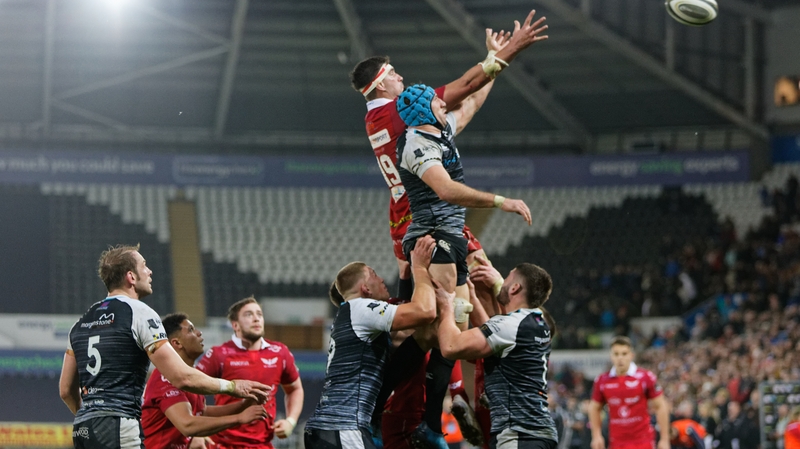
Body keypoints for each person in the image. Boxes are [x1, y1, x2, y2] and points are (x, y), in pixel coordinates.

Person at [59, 244, 270, 449]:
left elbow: (66, 390)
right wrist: (233, 386)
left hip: (83, 428)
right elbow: (181, 377)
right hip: (119, 424)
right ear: (131, 277)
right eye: (144, 266)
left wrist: (92, 417)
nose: (149, 272)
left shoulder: (80, 324)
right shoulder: (139, 313)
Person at [304, 236, 438, 449]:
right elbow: (426, 312)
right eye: (375, 275)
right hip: (343, 427)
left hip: (329, 428)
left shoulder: (350, 317)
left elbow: (410, 339)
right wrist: (420, 268)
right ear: (365, 287)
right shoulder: (361, 308)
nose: (382, 279)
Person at [435, 263, 559, 449]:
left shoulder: (511, 325)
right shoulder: (537, 322)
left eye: (508, 277)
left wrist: (446, 307)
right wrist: (474, 299)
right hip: (538, 432)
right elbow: (494, 335)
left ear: (515, 287)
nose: (502, 280)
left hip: (519, 434)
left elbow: (451, 347)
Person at [142, 313, 268, 449]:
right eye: (190, 330)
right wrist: (239, 418)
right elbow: (187, 424)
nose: (198, 333)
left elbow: (202, 412)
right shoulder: (165, 377)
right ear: (177, 343)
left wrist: (244, 405)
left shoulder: (193, 376)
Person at [196, 297, 304, 449]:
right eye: (248, 314)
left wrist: (291, 421)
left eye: (259, 314)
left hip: (263, 445)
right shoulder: (219, 354)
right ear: (235, 325)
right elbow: (190, 391)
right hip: (223, 444)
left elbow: (295, 389)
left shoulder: (280, 352)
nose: (256, 319)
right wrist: (195, 432)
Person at [588, 336, 670, 449]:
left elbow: (661, 406)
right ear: (611, 356)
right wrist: (596, 436)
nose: (620, 358)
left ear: (631, 355)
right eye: (616, 354)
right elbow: (594, 408)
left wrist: (665, 439)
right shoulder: (602, 381)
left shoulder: (645, 377)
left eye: (624, 353)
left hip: (643, 441)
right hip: (617, 443)